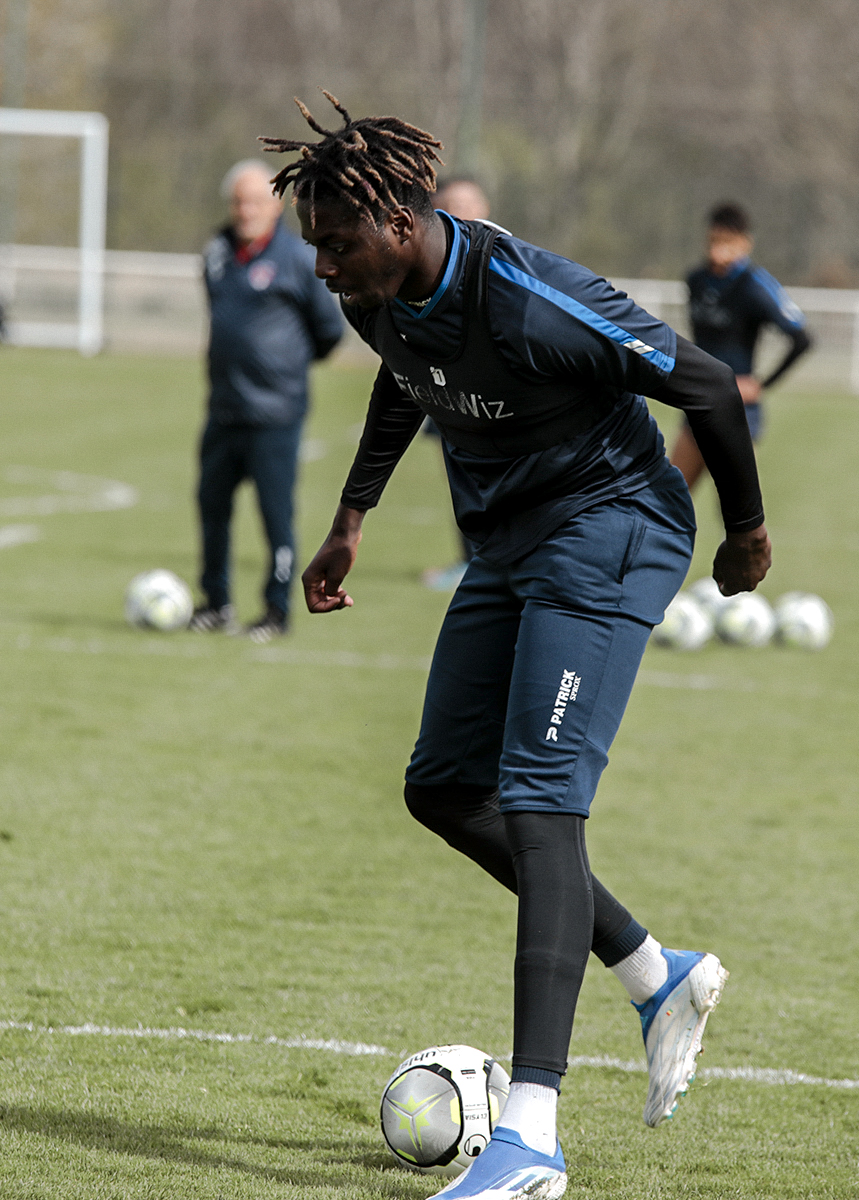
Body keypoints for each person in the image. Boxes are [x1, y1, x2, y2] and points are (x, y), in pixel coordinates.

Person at [265, 93, 771, 1198]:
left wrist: (746, 528)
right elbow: (407, 385)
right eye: (315, 248)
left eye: (336, 245)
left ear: (401, 223)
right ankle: (655, 973)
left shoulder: (532, 298)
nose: (321, 268)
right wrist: (351, 519)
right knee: (444, 787)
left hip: (612, 529)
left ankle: (530, 1136)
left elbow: (705, 388)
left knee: (542, 800)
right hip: (509, 541)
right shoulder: (374, 295)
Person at [189, 159, 343, 643]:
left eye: (255, 200)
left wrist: (282, 368)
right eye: (238, 200)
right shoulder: (216, 252)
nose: (245, 209)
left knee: (275, 514)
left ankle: (276, 611)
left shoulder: (297, 257)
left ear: (277, 206)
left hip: (275, 414)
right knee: (210, 505)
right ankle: (217, 602)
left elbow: (329, 330)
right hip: (224, 408)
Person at [670, 202, 812, 489]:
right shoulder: (696, 281)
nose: (718, 251)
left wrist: (760, 384)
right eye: (713, 241)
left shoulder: (754, 285)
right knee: (666, 500)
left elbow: (802, 338)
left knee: (740, 519)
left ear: (745, 243)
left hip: (738, 415)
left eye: (727, 243)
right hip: (697, 406)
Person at [420, 176, 493, 592]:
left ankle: (493, 562)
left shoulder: (501, 263)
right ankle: (469, 563)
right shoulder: (428, 270)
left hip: (495, 399)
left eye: (467, 204)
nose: (460, 212)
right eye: (450, 205)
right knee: (461, 483)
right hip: (446, 392)